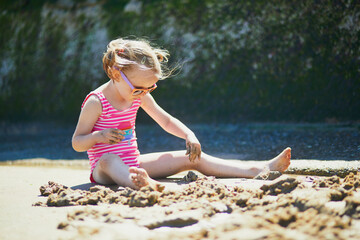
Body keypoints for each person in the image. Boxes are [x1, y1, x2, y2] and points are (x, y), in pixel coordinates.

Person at [72, 37, 291, 191]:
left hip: (135, 163)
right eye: (138, 89)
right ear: (116, 73)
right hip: (103, 170)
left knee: (191, 158)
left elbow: (165, 120)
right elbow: (77, 142)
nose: (143, 94)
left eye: (150, 89)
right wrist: (98, 137)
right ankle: (139, 184)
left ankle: (257, 168)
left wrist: (189, 135)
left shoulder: (139, 95)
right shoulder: (96, 102)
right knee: (109, 159)